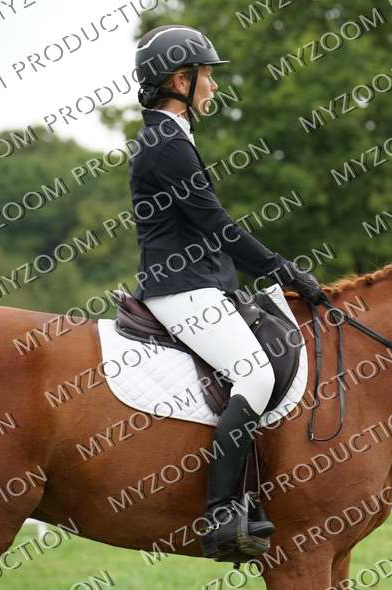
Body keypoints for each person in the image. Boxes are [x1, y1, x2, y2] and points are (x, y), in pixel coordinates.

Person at [129, 24, 327, 560]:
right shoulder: (167, 145)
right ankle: (221, 515)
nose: (214, 85)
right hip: (183, 290)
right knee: (256, 375)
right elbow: (217, 226)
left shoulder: (171, 137)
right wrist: (283, 270)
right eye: (208, 75)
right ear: (180, 80)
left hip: (201, 285)